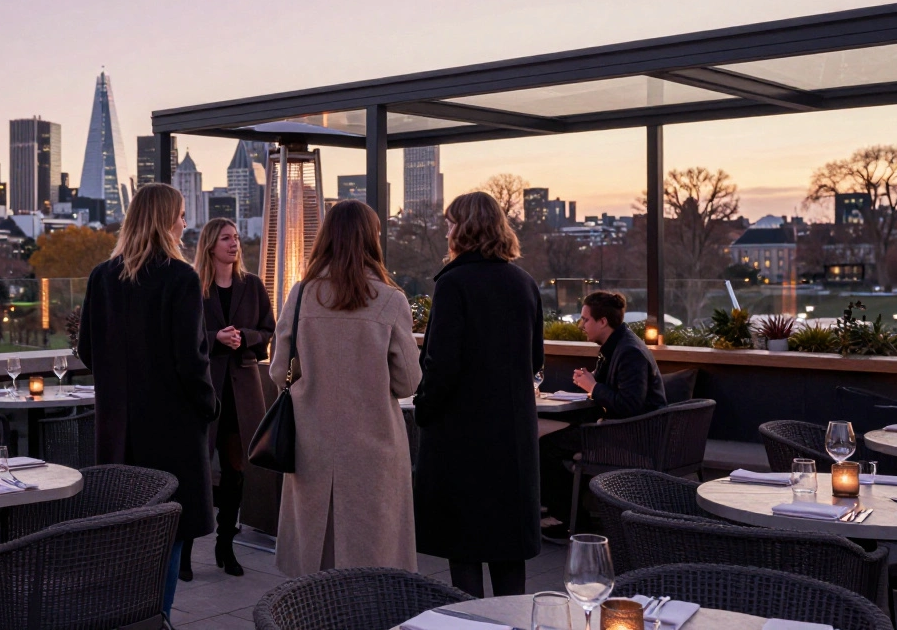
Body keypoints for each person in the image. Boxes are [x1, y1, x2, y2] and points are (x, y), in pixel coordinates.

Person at [77, 183, 219, 619]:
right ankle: (156, 620)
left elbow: (86, 348)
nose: (184, 223)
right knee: (170, 530)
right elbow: (190, 359)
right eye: (179, 215)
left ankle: (127, 617)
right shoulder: (180, 277)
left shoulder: (103, 276)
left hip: (117, 428)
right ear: (164, 220)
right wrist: (207, 406)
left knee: (126, 530)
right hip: (172, 429)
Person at [269, 200, 421, 577]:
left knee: (314, 555)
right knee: (374, 555)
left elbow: (278, 370)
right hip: (374, 444)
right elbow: (408, 382)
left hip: (311, 438)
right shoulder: (390, 300)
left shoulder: (301, 294)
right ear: (372, 241)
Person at [412, 191, 543, 598]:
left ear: (464, 229)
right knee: (509, 553)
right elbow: (534, 357)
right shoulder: (524, 283)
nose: (447, 230)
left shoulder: (453, 284)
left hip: (462, 437)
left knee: (463, 550)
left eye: (451, 223)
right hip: (513, 437)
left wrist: (423, 409)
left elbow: (441, 365)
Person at [185, 217, 275, 580]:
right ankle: (186, 550)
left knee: (236, 471)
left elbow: (269, 330)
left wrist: (245, 337)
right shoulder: (194, 287)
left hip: (242, 392)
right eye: (226, 238)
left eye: (236, 237)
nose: (234, 243)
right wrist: (214, 337)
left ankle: (226, 545)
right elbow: (184, 336)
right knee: (197, 471)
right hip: (205, 391)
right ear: (210, 245)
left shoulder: (252, 285)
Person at [538, 290, 668, 539]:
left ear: (603, 321)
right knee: (548, 438)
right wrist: (591, 385)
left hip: (632, 435)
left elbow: (630, 405)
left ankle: (569, 519)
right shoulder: (616, 345)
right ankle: (572, 515)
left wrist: (593, 387)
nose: (581, 325)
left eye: (585, 319)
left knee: (547, 448)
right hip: (620, 428)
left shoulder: (629, 352)